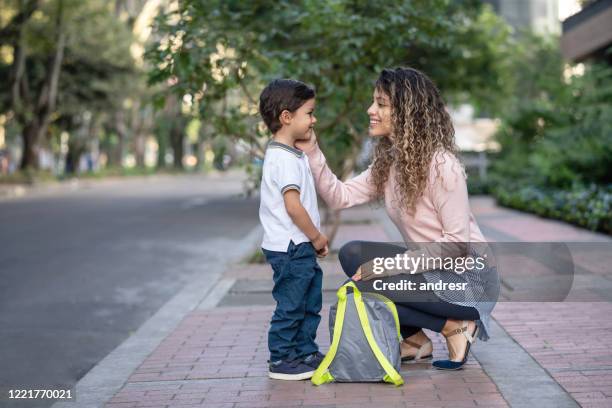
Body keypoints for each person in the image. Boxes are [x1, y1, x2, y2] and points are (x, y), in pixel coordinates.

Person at [295, 67, 499, 371]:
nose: (371, 110)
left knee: (368, 281)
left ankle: (453, 326)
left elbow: (457, 245)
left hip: (469, 280)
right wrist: (312, 151)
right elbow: (340, 196)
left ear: (406, 112)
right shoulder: (390, 162)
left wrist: (388, 265)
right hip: (433, 272)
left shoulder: (442, 165)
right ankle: (417, 340)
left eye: (381, 103)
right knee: (354, 256)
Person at [258, 79, 329, 380]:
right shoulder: (282, 159)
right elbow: (293, 207)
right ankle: (282, 358)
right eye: (309, 113)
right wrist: (316, 236)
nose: (313, 120)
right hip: (292, 246)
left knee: (309, 300)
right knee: (292, 304)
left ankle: (304, 350)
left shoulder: (291, 154)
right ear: (287, 117)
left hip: (299, 245)